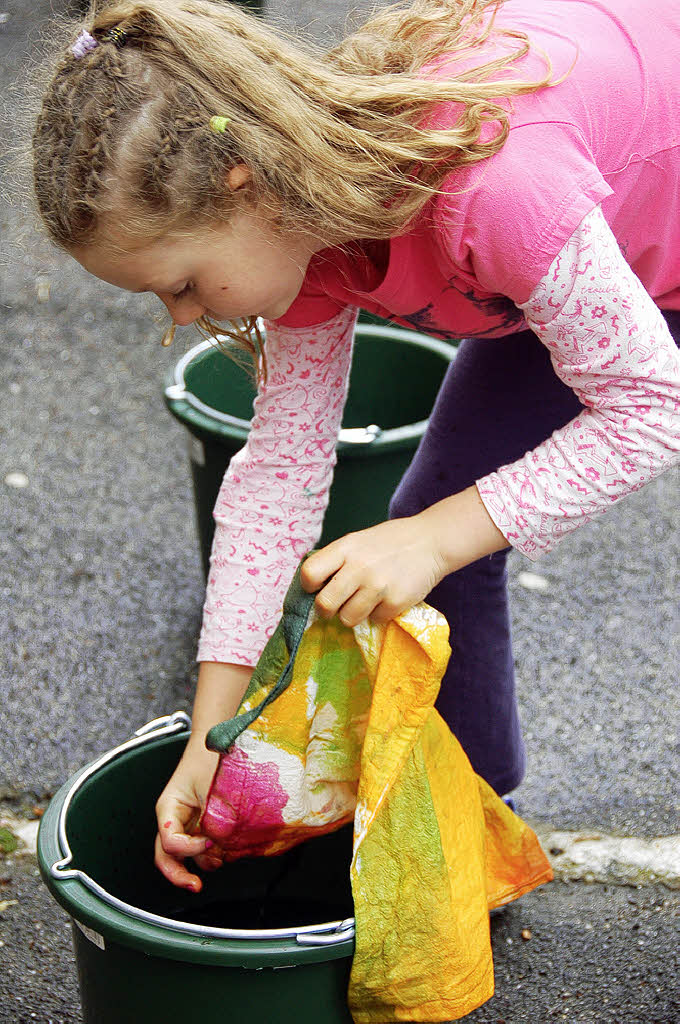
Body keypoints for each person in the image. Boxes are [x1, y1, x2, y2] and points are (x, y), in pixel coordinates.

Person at [32, 0, 680, 893]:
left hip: (627, 226)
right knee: (428, 525)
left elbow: (652, 404)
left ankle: (461, 828)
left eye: (181, 283)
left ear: (241, 181)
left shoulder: (491, 189)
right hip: (575, 251)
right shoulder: (301, 229)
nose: (183, 318)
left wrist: (432, 537)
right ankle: (466, 823)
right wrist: (208, 740)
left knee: (431, 529)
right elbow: (280, 474)